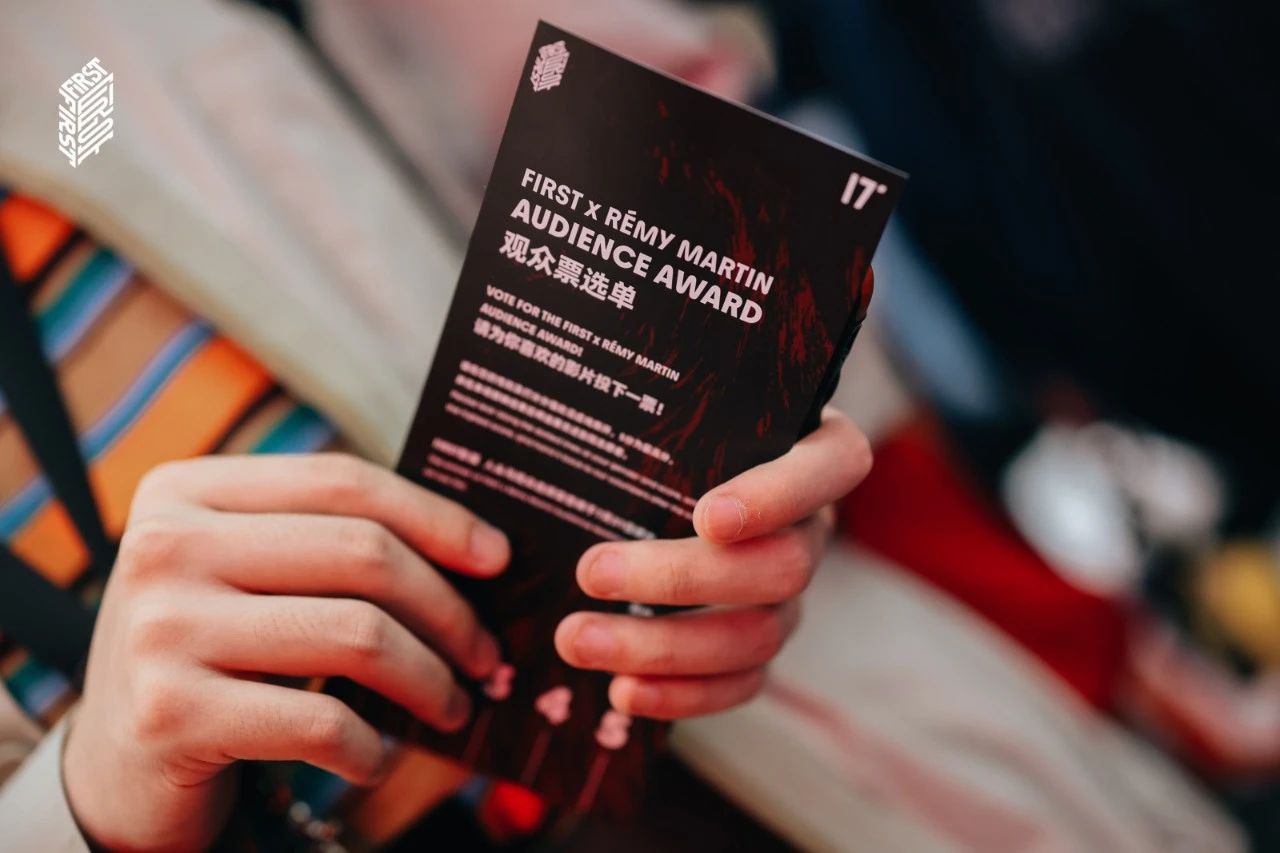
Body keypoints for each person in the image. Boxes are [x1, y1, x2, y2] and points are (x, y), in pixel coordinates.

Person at [0, 0, 866, 849]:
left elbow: (691, 162)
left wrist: (744, 442)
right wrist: (89, 802)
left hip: (759, 768)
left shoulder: (122, 39)